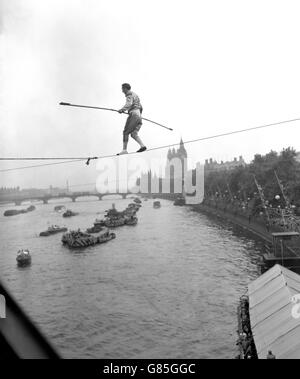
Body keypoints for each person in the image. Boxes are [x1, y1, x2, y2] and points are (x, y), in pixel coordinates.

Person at [117, 83, 147, 155]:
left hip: (134, 115)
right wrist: (138, 114)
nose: (122, 91)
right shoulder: (135, 95)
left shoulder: (129, 94)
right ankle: (142, 146)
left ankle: (124, 150)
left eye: (122, 89)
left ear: (125, 88)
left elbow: (129, 104)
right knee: (133, 134)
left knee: (125, 132)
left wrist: (122, 110)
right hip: (139, 117)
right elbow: (141, 107)